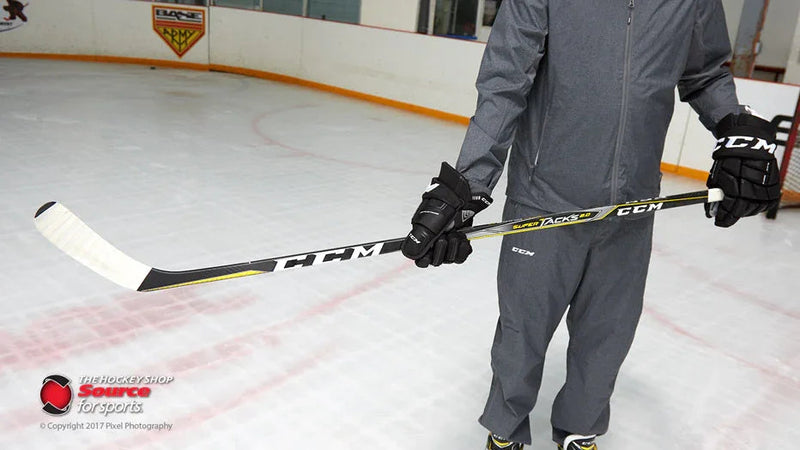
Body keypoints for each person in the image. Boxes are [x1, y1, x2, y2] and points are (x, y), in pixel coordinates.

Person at [400, 0, 782, 449]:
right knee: (523, 332)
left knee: (608, 334)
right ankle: (504, 430)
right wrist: (467, 186)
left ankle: (580, 430)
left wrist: (734, 129)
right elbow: (505, 85)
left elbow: (706, 73)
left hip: (633, 205)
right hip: (544, 202)